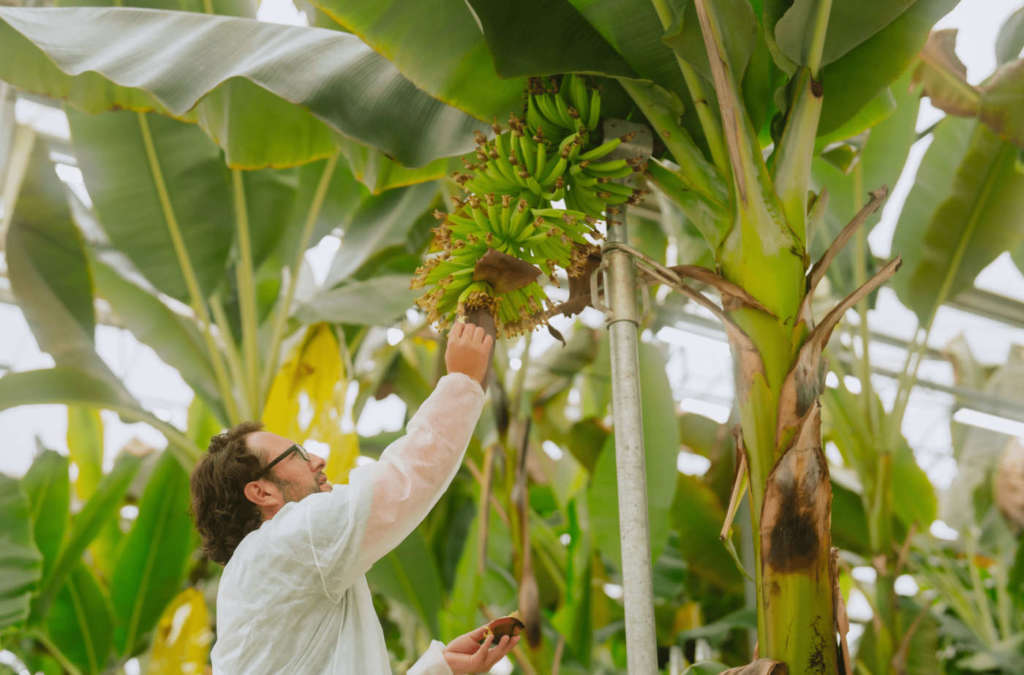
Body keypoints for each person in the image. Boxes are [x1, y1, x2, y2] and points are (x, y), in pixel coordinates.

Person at [190, 322, 517, 673]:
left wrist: (440, 668)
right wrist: (462, 381)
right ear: (262, 491)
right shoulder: (288, 541)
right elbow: (403, 482)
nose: (318, 459)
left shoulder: (263, 573)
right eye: (297, 454)